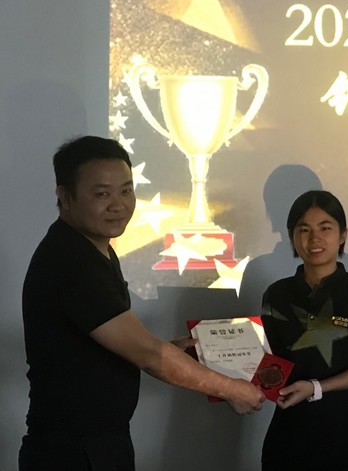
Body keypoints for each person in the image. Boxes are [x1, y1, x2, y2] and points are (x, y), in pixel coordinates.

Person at [19, 135, 265, 471]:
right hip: (71, 452)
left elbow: (110, 344)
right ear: (64, 196)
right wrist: (232, 389)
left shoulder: (94, 249)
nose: (118, 205)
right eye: (102, 194)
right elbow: (148, 355)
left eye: (126, 190)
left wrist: (170, 349)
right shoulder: (70, 261)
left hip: (99, 444)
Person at [260, 190, 348, 471]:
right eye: (304, 229)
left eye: (325, 228)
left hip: (346, 442)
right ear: (292, 236)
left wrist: (316, 388)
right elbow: (266, 361)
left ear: (343, 235)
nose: (314, 238)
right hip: (286, 443)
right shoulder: (276, 295)